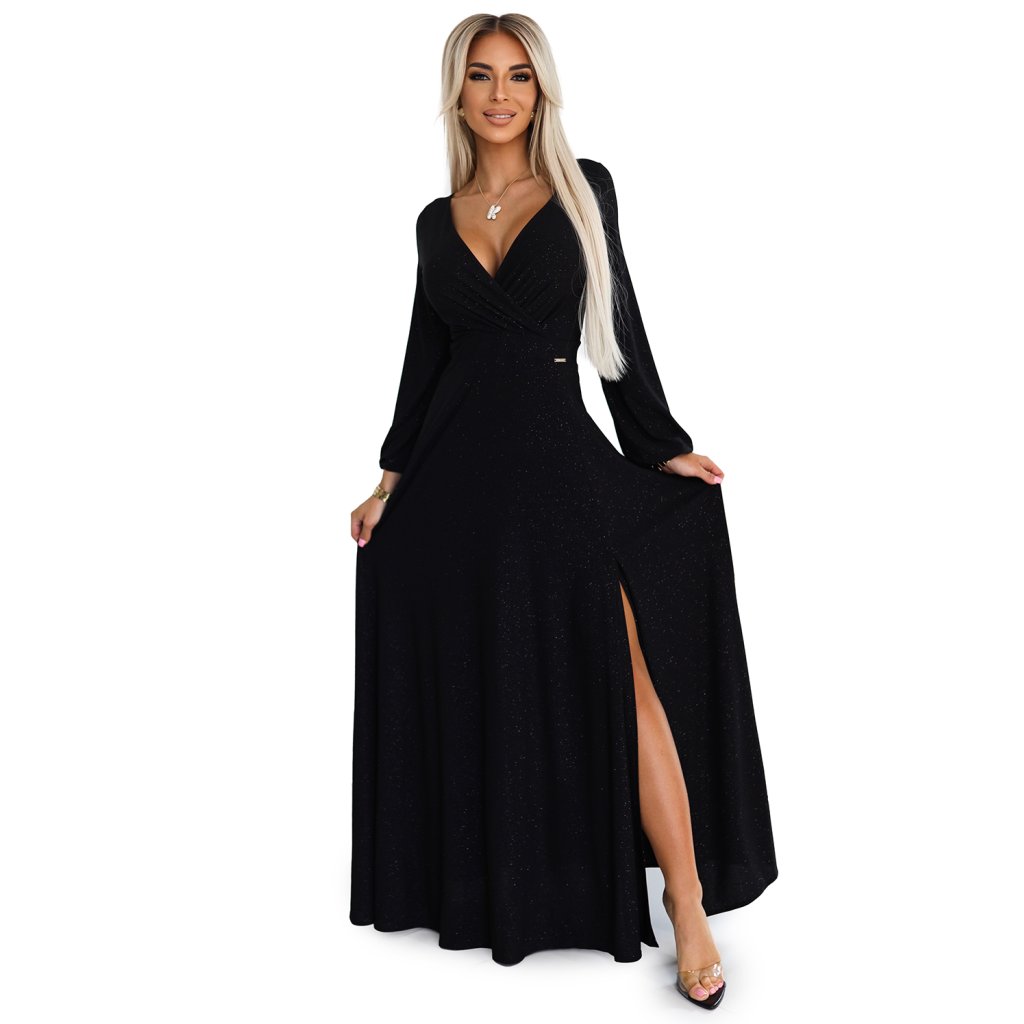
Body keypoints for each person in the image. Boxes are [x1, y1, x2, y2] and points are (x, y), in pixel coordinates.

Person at [349, 13, 778, 1007]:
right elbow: (425, 361)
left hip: (560, 463)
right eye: (481, 76)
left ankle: (687, 902)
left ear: (540, 90)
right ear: (457, 93)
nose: (500, 94)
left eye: (518, 77)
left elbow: (618, 321)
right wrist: (389, 480)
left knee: (629, 679)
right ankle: (498, 872)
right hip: (458, 479)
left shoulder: (586, 187)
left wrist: (659, 444)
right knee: (488, 670)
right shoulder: (435, 220)